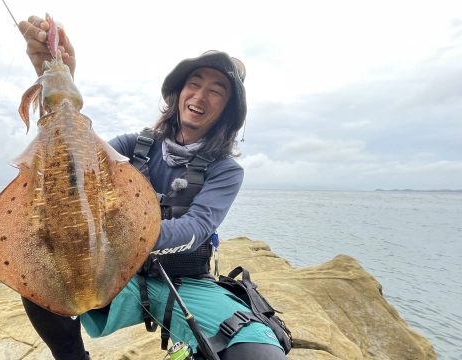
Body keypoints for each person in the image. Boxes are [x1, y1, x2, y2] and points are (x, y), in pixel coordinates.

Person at [16, 15, 288, 360]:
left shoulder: (225, 170)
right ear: (179, 92)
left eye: (216, 91)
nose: (200, 95)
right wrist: (57, 80)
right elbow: (72, 163)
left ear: (227, 111)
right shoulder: (132, 145)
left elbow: (197, 227)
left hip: (186, 283)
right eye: (195, 83)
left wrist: (121, 235)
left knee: (260, 352)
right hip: (114, 274)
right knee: (37, 278)